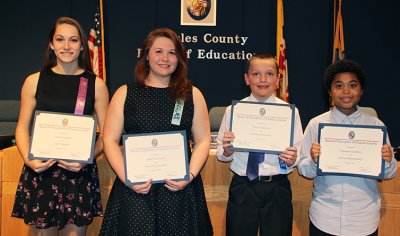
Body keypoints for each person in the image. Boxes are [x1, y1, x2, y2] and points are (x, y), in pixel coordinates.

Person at [99, 28, 213, 235]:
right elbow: (109, 140)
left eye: (172, 52)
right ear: (146, 55)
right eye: (158, 51)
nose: (165, 58)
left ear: (179, 58)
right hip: (136, 190)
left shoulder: (192, 94)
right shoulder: (125, 93)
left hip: (180, 190)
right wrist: (127, 179)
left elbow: (203, 140)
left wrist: (190, 175)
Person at [11, 17, 109, 235]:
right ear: (51, 44)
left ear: (83, 45)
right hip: (41, 172)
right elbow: (21, 127)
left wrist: (87, 159)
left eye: (73, 40)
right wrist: (29, 160)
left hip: (78, 175)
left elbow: (108, 136)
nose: (66, 46)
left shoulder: (96, 84)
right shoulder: (34, 81)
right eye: (60, 39)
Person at [297, 59, 397, 236]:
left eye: (352, 85)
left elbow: (389, 173)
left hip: (363, 220)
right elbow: (303, 169)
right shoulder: (316, 124)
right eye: (338, 85)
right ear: (330, 91)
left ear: (362, 90)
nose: (346, 91)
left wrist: (388, 161)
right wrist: (313, 160)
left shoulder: (375, 126)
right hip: (325, 217)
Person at [216, 53, 303, 236]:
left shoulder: (289, 113)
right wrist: (227, 150)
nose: (263, 80)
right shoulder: (234, 111)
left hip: (277, 187)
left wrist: (291, 159)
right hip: (243, 186)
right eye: (256, 74)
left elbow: (298, 155)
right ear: (247, 79)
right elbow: (221, 155)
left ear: (278, 79)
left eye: (270, 74)